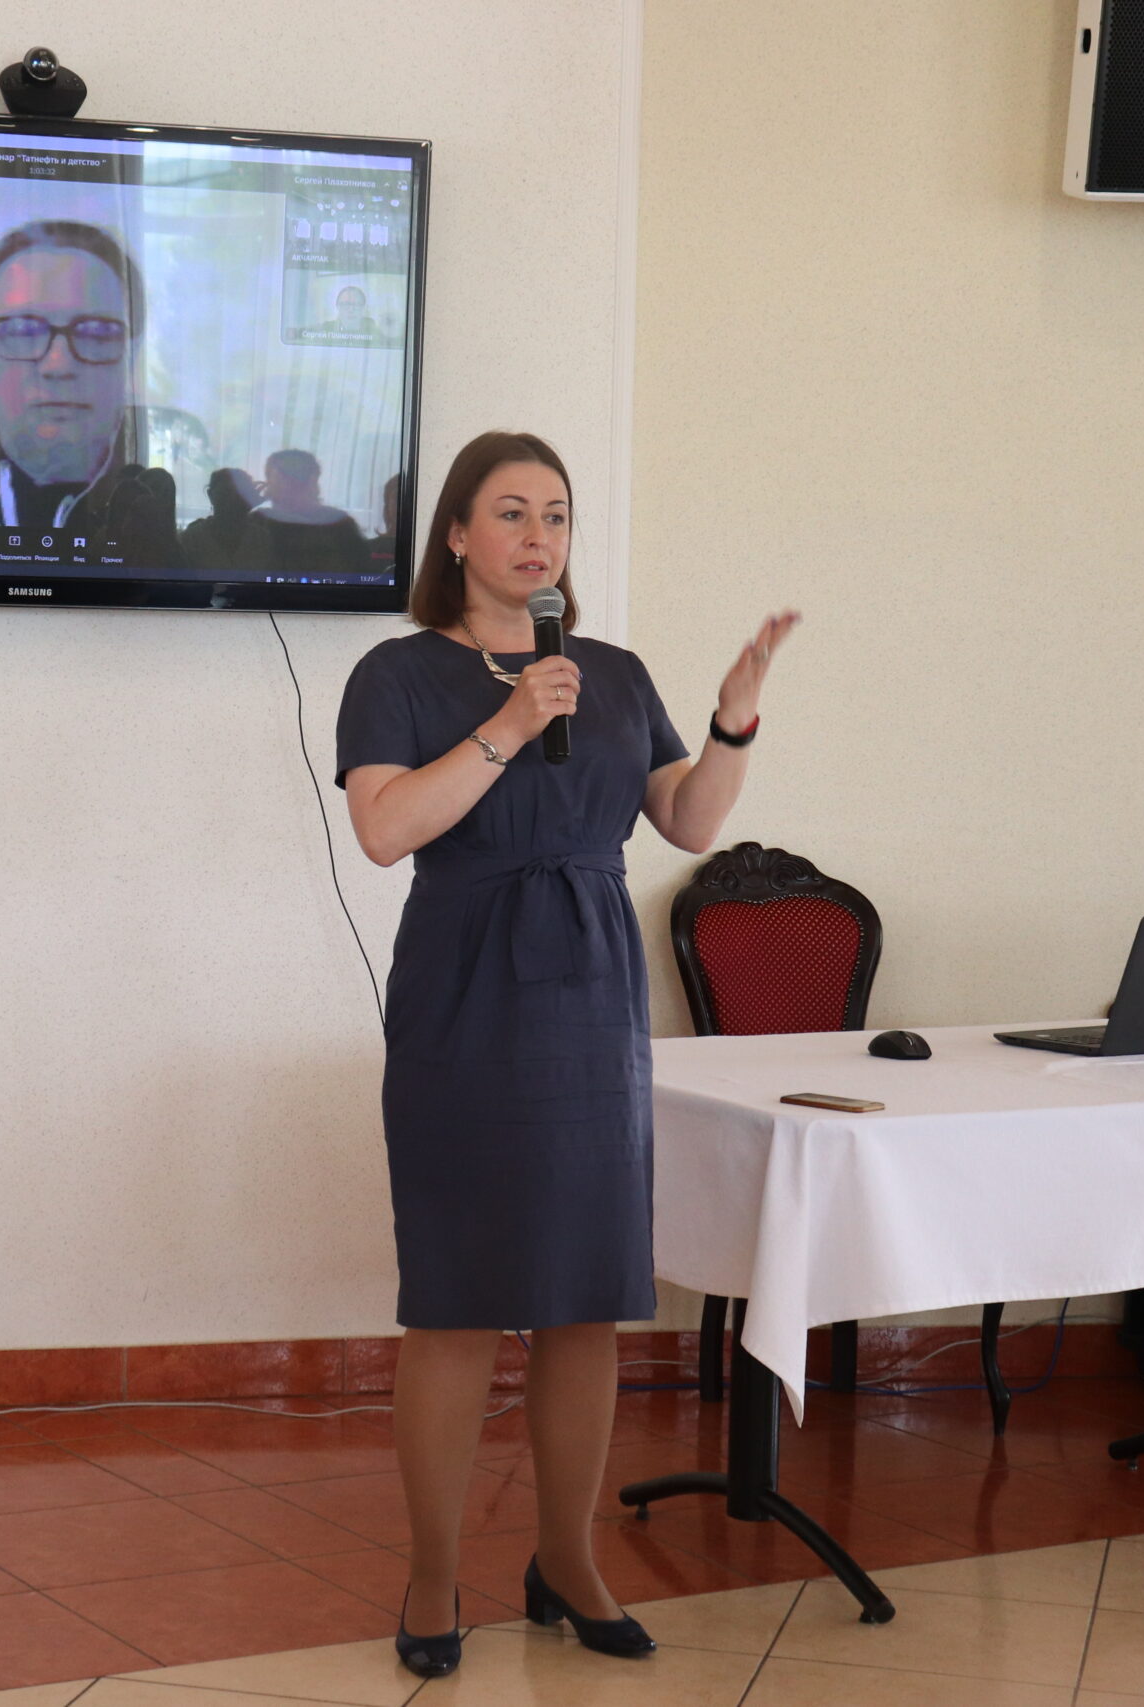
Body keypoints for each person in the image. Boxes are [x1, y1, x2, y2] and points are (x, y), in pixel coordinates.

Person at [335, 431, 798, 1680]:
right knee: (457, 1300)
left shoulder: (612, 673)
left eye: (556, 514)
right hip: (465, 991)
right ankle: (433, 1575)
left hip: (591, 995)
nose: (538, 536)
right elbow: (384, 829)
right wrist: (505, 723)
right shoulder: (398, 672)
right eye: (510, 512)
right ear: (456, 535)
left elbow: (686, 819)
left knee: (585, 1296)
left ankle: (568, 1560)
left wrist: (733, 719)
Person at [0, 220, 178, 563]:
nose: (58, 364)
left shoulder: (131, 515)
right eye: (23, 331)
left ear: (128, 363)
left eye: (96, 333)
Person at [239, 449, 366, 578]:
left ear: (313, 480)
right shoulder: (257, 521)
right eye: (284, 475)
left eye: (298, 475)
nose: (292, 482)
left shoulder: (340, 523)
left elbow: (359, 574)